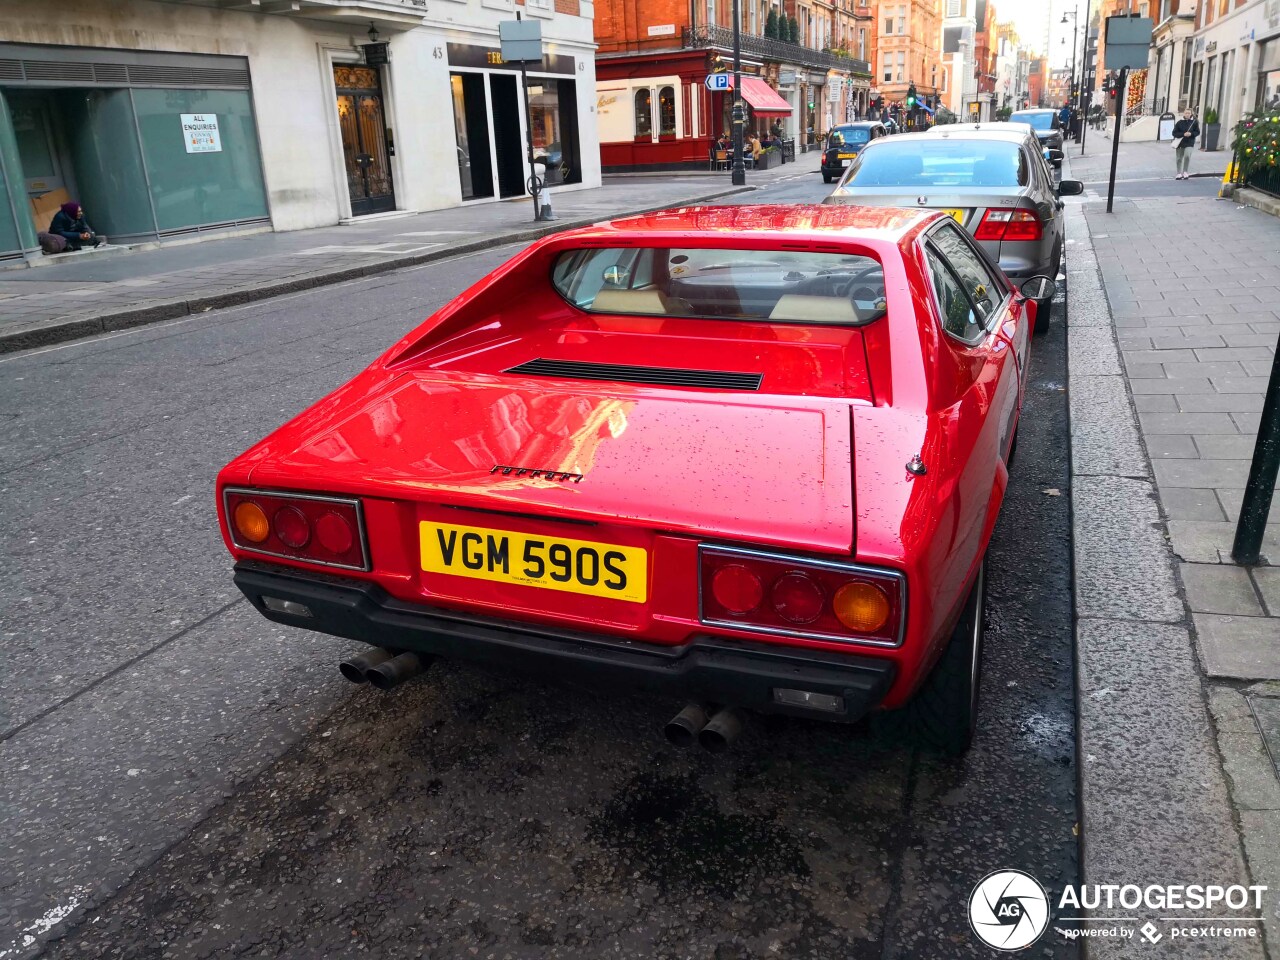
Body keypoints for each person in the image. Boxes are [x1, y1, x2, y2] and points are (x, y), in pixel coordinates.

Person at [1172, 108, 1199, 180]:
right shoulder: (1179, 122)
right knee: (1179, 158)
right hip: (1180, 143)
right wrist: (1183, 134)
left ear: (1191, 114)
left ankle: (1185, 171)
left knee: (1187, 156)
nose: (1187, 114)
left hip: (1190, 142)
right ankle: (1178, 173)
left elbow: (1197, 132)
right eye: (1186, 113)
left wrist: (1191, 134)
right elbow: (1174, 133)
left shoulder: (1194, 122)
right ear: (1184, 113)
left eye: (1189, 113)